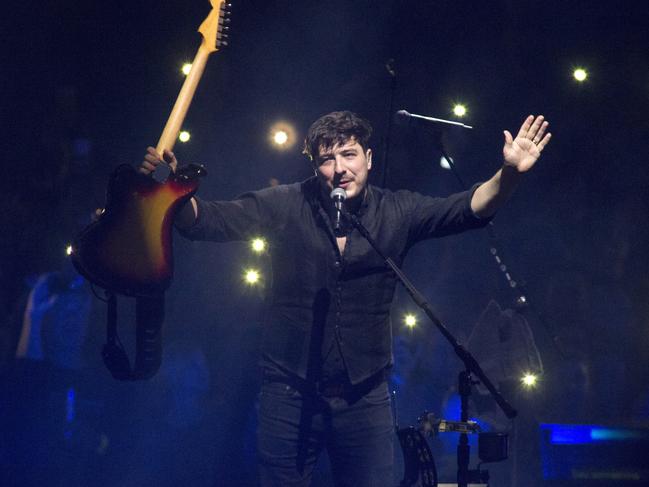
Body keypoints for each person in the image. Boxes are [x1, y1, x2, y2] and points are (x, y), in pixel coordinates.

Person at [139, 111, 551, 486]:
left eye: (349, 155)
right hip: (289, 390)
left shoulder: (397, 211)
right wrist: (172, 191)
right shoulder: (287, 203)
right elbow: (209, 220)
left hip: (364, 395)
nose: (340, 170)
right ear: (314, 167)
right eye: (327, 160)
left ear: (368, 158)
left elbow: (468, 208)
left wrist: (509, 174)